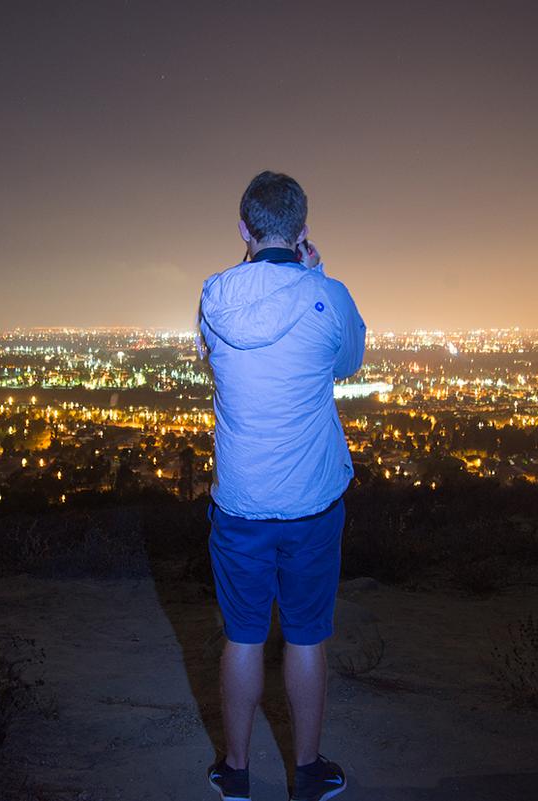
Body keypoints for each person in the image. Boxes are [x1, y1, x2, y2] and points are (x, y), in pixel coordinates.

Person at [198, 171, 365, 801]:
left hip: (239, 501)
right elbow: (348, 363)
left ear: (243, 230)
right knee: (305, 636)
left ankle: (235, 773)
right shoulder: (330, 295)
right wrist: (316, 280)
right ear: (303, 233)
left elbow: (210, 356)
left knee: (242, 636)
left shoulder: (215, 296)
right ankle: (308, 772)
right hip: (311, 503)